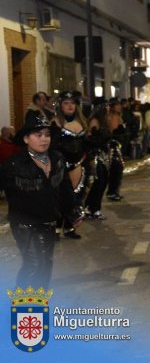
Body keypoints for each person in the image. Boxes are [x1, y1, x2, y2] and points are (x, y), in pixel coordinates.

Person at [0, 115, 82, 288]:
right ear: (26, 139)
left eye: (47, 134)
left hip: (49, 219)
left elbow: (65, 188)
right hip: (25, 223)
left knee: (45, 263)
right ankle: (23, 306)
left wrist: (72, 212)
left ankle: (38, 301)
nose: (44, 139)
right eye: (38, 135)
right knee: (34, 264)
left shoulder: (57, 158)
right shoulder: (14, 164)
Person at [50, 91, 87, 239]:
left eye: (72, 103)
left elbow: (85, 144)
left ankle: (70, 227)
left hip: (79, 163)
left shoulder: (82, 121)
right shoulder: (55, 122)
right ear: (61, 105)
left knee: (76, 195)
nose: (70, 106)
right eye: (66, 103)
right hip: (61, 165)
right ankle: (58, 228)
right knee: (62, 196)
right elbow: (50, 145)